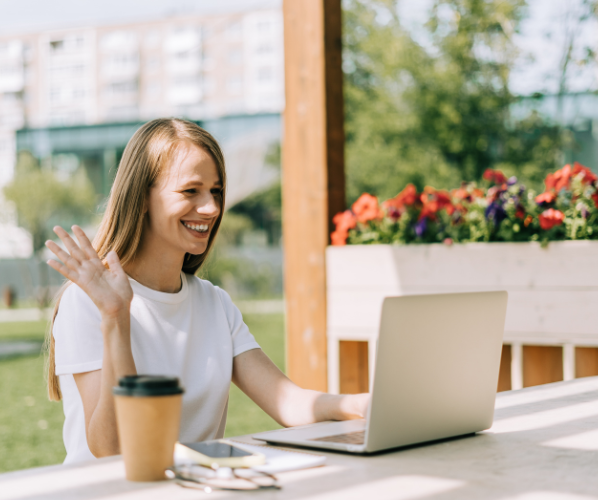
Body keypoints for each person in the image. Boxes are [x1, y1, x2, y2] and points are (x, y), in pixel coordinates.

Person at [45, 118, 369, 464]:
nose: (212, 208)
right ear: (140, 198)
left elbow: (287, 401)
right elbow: (113, 448)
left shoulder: (214, 303)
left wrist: (360, 404)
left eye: (215, 191)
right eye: (190, 191)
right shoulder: (87, 302)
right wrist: (115, 316)